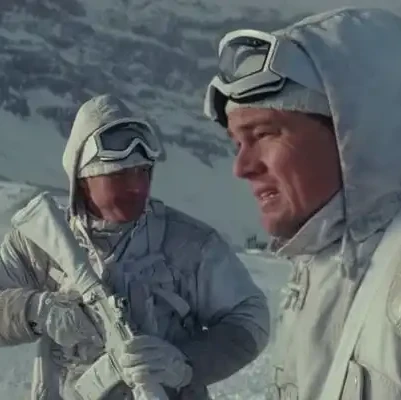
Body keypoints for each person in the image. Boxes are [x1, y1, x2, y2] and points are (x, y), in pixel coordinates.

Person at [0, 94, 269, 399]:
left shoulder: (190, 245)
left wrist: (184, 364)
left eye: (143, 171)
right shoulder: (41, 242)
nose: (137, 186)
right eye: (119, 174)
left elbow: (251, 318)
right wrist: (36, 310)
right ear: (83, 178)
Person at [203, 7, 401, 400]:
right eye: (237, 143)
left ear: (353, 132)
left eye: (264, 133)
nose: (242, 167)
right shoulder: (321, 264)